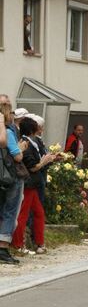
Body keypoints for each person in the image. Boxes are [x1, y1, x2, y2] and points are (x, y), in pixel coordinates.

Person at [12, 117, 55, 254]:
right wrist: (44, 161)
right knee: (24, 214)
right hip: (29, 183)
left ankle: (39, 242)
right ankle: (18, 244)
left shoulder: (32, 142)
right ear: (32, 129)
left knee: (38, 213)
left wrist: (47, 160)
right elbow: (32, 167)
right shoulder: (26, 143)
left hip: (33, 183)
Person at [0, 97, 26, 264]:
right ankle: (3, 248)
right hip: (9, 176)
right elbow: (17, 156)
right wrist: (21, 148)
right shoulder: (8, 131)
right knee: (10, 211)